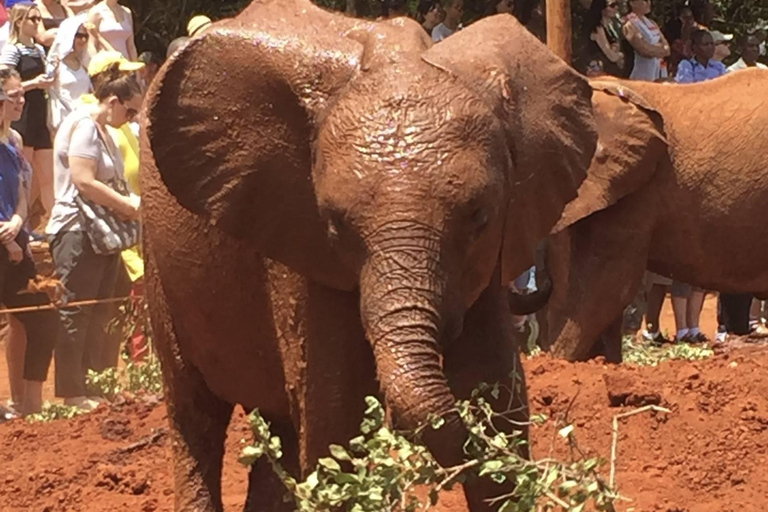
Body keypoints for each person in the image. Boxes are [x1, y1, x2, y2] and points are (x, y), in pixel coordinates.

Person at [46, 52, 142, 410]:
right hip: (76, 230)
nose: (131, 118)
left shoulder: (107, 131)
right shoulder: (84, 125)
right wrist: (126, 206)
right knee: (79, 308)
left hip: (101, 233)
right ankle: (73, 391)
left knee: (106, 307)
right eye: (129, 111)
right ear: (113, 101)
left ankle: (99, 384)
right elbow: (84, 181)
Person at [0, 68, 59, 416]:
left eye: (22, 94)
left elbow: (22, 191)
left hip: (16, 240)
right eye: (14, 96)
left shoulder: (15, 141)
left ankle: (30, 407)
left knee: (40, 318)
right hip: (6, 244)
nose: (22, 100)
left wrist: (20, 221)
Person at [0, 3, 56, 234]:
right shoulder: (12, 50)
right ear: (19, 22)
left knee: (46, 172)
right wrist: (33, 84)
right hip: (20, 114)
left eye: (38, 18)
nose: (36, 23)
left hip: (38, 112)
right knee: (23, 170)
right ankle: (26, 223)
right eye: (32, 19)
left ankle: (51, 225)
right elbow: (4, 85)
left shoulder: (39, 50)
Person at [48, 17, 91, 132]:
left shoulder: (85, 64)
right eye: (78, 35)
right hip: (63, 122)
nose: (82, 40)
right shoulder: (56, 63)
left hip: (83, 121)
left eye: (85, 36)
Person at [622, 0, 670, 81]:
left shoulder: (652, 23)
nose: (649, 3)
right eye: (645, 0)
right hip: (638, 75)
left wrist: (652, 48)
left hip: (658, 72)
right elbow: (644, 51)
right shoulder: (629, 24)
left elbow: (667, 49)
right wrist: (660, 49)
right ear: (632, 3)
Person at [581, 0, 625, 77]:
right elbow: (611, 55)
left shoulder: (609, 27)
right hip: (597, 71)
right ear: (602, 8)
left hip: (607, 70)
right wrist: (620, 56)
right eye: (612, 5)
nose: (616, 8)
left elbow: (615, 47)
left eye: (616, 4)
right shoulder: (597, 29)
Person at [663, 4, 698, 77]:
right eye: (685, 18)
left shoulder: (698, 33)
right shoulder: (675, 44)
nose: (689, 21)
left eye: (691, 17)